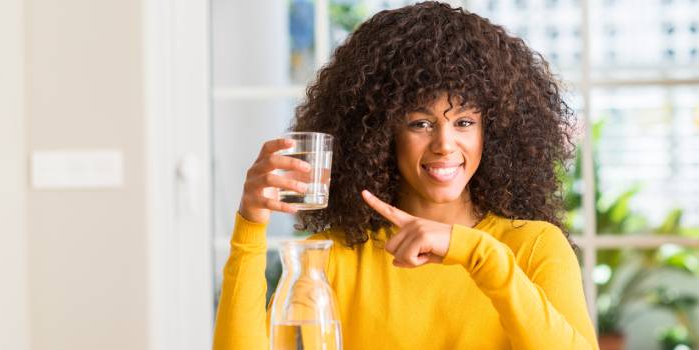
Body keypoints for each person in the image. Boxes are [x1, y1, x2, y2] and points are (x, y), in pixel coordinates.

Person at [213, 2, 598, 349]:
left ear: (491, 132)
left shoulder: (531, 247)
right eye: (420, 123)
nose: (445, 144)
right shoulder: (336, 256)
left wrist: (478, 254)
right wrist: (250, 226)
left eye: (463, 122)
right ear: (381, 133)